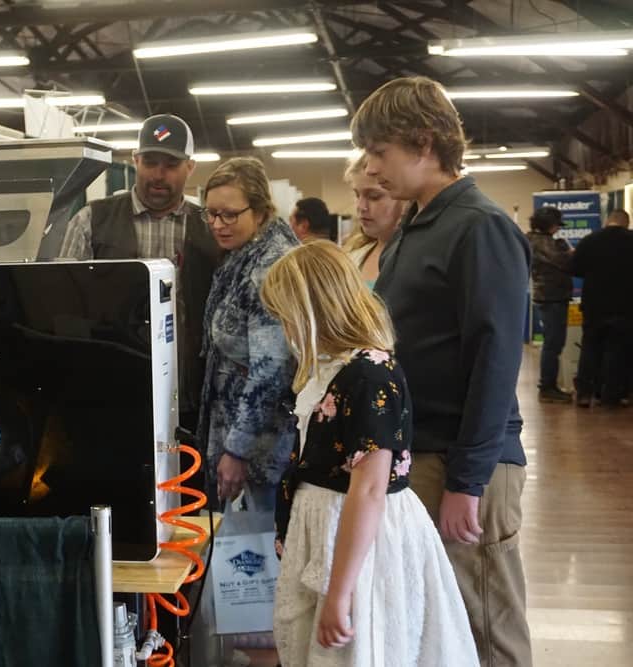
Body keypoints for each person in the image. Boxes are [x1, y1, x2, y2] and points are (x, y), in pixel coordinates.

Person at [352, 76, 532, 666]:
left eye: (381, 152)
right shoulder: (414, 224)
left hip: (463, 459)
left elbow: (496, 357)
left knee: (484, 623)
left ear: (423, 143)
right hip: (418, 450)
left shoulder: (480, 226)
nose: (373, 169)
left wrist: (468, 480)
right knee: (439, 625)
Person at [262, 241, 478, 667]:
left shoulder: (369, 375)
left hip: (358, 539)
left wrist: (340, 591)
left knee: (361, 646)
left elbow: (369, 490)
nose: (283, 325)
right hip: (327, 524)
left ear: (313, 310)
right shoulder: (331, 367)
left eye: (286, 314)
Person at [57, 114, 222, 429]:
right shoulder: (91, 221)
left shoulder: (211, 227)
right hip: (113, 388)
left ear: (190, 167)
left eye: (171, 165)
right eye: (150, 162)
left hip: (192, 394)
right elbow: (64, 310)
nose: (159, 175)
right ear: (134, 161)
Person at [196, 157, 297, 510]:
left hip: (260, 447)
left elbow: (270, 372)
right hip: (238, 428)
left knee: (251, 555)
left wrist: (238, 450)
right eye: (209, 214)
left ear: (260, 211)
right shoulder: (244, 254)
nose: (217, 224)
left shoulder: (269, 267)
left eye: (229, 215)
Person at [573, 208, 633, 408]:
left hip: (594, 305)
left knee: (590, 348)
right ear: (626, 223)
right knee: (617, 351)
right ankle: (610, 396)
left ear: (608, 221)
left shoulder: (590, 240)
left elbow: (575, 268)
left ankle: (584, 393)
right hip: (625, 306)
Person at [526, 206, 574, 403]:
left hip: (551, 296)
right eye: (555, 225)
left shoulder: (536, 240)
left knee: (554, 343)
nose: (557, 229)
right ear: (548, 225)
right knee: (553, 344)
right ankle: (547, 387)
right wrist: (569, 251)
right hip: (551, 298)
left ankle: (549, 385)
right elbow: (563, 262)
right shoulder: (541, 242)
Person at [340, 153, 404, 287]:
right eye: (357, 195)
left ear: (405, 199)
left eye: (374, 197)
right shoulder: (352, 257)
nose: (361, 207)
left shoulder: (417, 260)